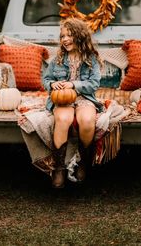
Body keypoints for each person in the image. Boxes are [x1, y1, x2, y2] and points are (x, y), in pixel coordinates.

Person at [43, 18, 104, 188]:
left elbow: (94, 84)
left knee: (86, 121)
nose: (65, 39)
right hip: (62, 99)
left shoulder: (90, 58)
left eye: (69, 35)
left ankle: (83, 162)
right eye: (62, 36)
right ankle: (59, 167)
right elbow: (46, 79)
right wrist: (52, 84)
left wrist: (74, 85)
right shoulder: (58, 59)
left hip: (84, 98)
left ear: (80, 36)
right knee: (62, 120)